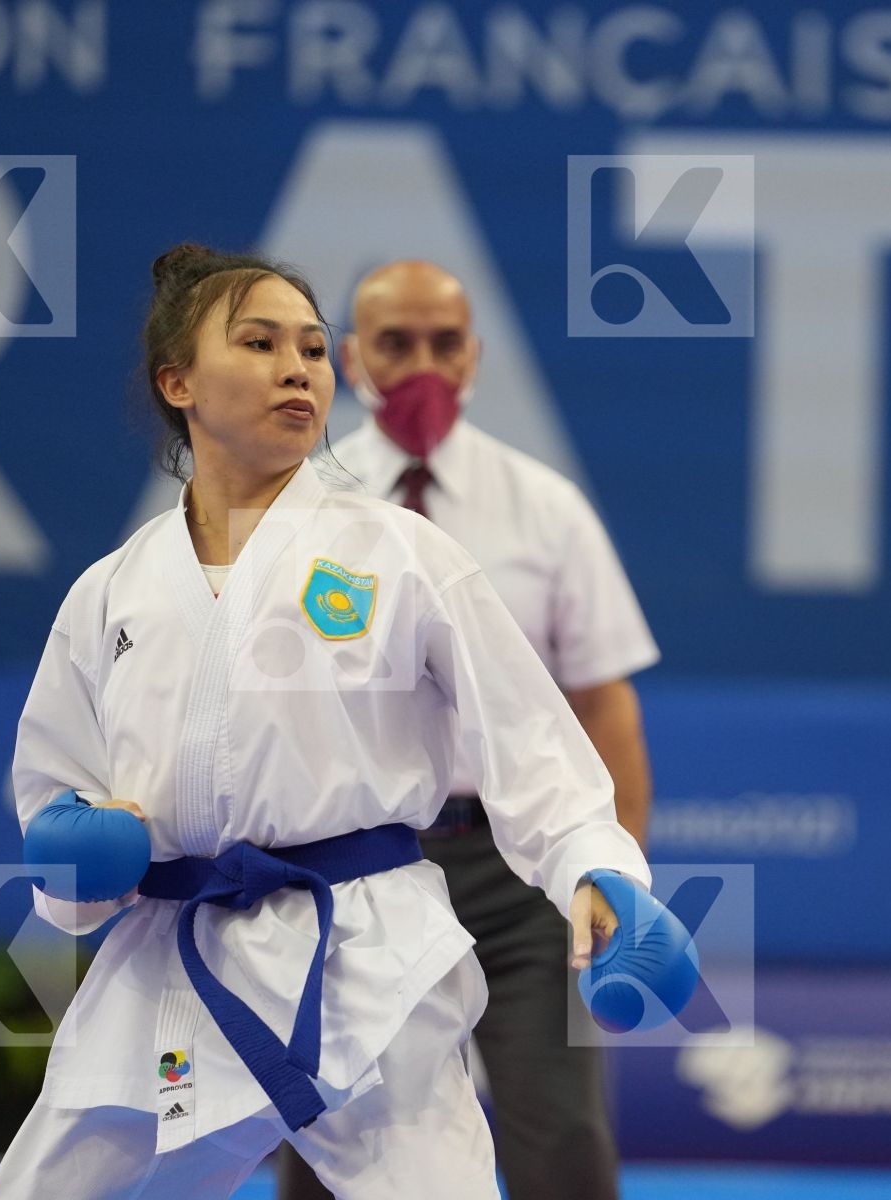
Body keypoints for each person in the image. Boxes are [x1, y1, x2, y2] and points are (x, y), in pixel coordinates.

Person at [0, 243, 656, 1199]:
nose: (297, 367)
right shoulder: (113, 591)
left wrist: (598, 866)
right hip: (169, 963)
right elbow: (53, 782)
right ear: (178, 381)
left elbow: (533, 740)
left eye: (309, 348)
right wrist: (72, 853)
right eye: (259, 343)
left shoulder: (402, 553)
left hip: (363, 954)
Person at [275, 260, 658, 1200]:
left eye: (444, 344)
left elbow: (603, 704)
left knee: (561, 1135)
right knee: (333, 1134)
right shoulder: (300, 508)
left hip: (516, 865)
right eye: (396, 344)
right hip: (357, 860)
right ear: (353, 358)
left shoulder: (545, 507)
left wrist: (616, 875)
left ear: (474, 355)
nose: (422, 368)